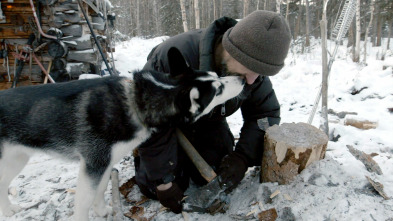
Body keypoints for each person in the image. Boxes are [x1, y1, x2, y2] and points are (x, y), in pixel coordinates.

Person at [134, 10, 291, 213]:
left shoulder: (253, 71)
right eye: (249, 69)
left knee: (219, 172)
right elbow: (147, 118)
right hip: (168, 125)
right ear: (232, 50)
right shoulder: (175, 57)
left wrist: (243, 157)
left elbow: (265, 114)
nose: (252, 80)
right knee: (157, 186)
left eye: (259, 72)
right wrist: (163, 180)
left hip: (209, 122)